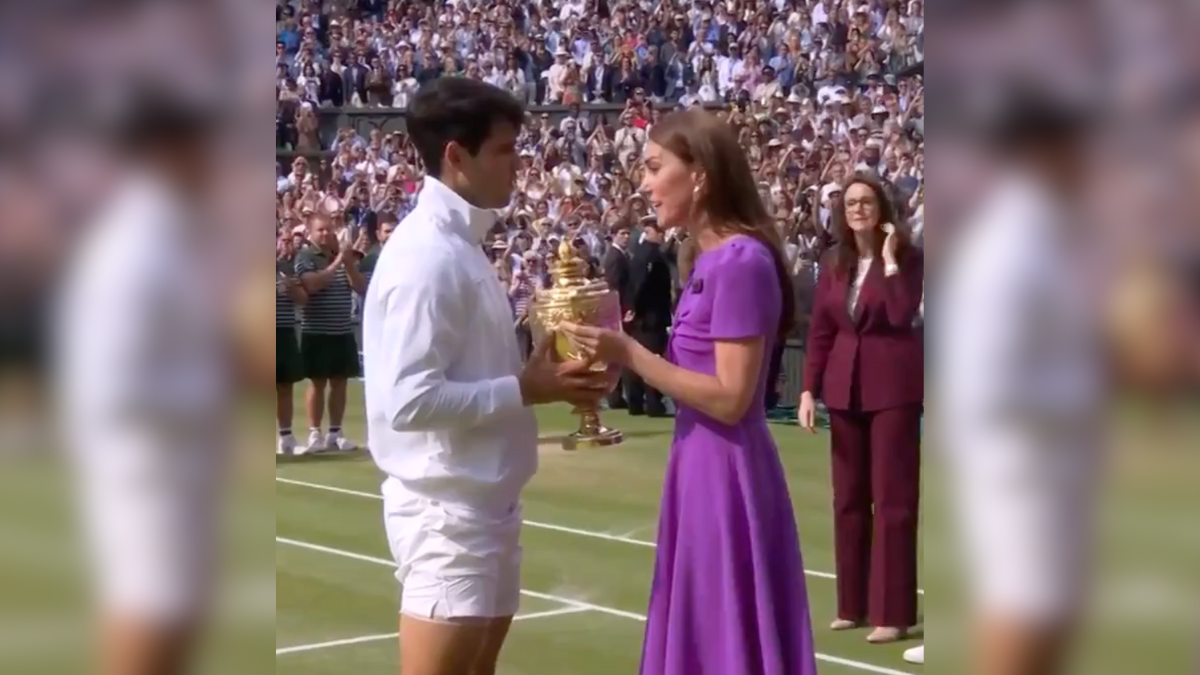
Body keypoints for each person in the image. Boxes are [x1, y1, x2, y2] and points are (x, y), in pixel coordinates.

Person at [360, 77, 613, 675]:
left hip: (486, 505)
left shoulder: (461, 245)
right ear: (456, 155)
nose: (518, 166)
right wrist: (526, 388)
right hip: (446, 514)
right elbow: (408, 402)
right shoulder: (427, 257)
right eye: (504, 150)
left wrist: (536, 376)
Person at [560, 108, 818, 675]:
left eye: (655, 167)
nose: (644, 184)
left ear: (699, 173)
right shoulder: (710, 259)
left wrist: (631, 355)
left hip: (726, 470)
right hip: (699, 462)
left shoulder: (740, 262)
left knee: (724, 635)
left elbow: (730, 396)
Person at [54, 87, 228, 675]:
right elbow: (111, 386)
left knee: (171, 621)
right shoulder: (135, 245)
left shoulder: (167, 236)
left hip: (172, 466)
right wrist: (222, 378)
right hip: (146, 471)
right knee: (149, 618)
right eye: (202, 149)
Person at [798, 172, 925, 644]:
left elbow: (897, 316)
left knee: (893, 503)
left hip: (893, 388)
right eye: (850, 202)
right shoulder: (834, 262)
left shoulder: (910, 259)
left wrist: (889, 260)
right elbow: (822, 333)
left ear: (882, 209)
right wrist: (809, 389)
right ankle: (852, 605)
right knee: (848, 500)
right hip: (844, 388)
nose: (857, 209)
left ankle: (895, 613)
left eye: (866, 201)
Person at [295, 213, 368, 453]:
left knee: (340, 383)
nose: (325, 234)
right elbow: (312, 284)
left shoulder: (342, 256)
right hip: (316, 331)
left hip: (342, 330)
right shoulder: (306, 256)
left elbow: (359, 287)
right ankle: (315, 433)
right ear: (311, 232)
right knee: (317, 383)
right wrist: (337, 262)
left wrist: (347, 262)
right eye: (320, 230)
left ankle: (335, 433)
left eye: (328, 229)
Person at [624, 222, 673, 416]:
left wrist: (632, 308)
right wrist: (636, 308)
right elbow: (642, 284)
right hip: (651, 316)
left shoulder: (638, 254)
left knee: (636, 359)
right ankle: (654, 403)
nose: (661, 236)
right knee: (653, 359)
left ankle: (635, 403)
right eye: (658, 232)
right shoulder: (652, 255)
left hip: (641, 316)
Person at [277, 232, 308, 455]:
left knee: (285, 386)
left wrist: (291, 287)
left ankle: (286, 437)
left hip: (285, 332)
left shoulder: (285, 268)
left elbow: (302, 299)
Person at [601, 225, 632, 409]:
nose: (626, 236)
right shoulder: (614, 256)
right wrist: (621, 310)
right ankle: (614, 395)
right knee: (617, 352)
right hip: (619, 310)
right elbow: (614, 287)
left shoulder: (621, 255)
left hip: (621, 309)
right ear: (613, 235)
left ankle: (617, 395)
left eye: (628, 232)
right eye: (622, 233)